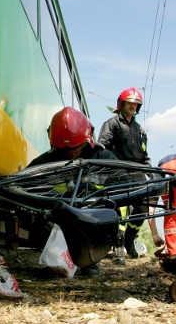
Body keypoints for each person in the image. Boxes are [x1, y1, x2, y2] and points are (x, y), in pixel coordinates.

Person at [27, 106, 118, 277]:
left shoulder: (103, 158)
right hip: (59, 219)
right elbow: (25, 186)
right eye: (64, 150)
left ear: (87, 140)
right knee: (40, 218)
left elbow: (127, 183)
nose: (70, 154)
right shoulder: (44, 162)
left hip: (90, 219)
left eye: (75, 148)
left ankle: (89, 263)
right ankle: (56, 262)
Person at [98, 87, 160, 262]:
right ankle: (117, 246)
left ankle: (129, 239)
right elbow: (102, 146)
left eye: (136, 104)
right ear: (122, 104)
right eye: (130, 103)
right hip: (118, 173)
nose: (133, 106)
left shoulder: (140, 129)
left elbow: (144, 154)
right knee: (122, 209)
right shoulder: (112, 124)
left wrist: (151, 172)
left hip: (138, 174)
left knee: (141, 209)